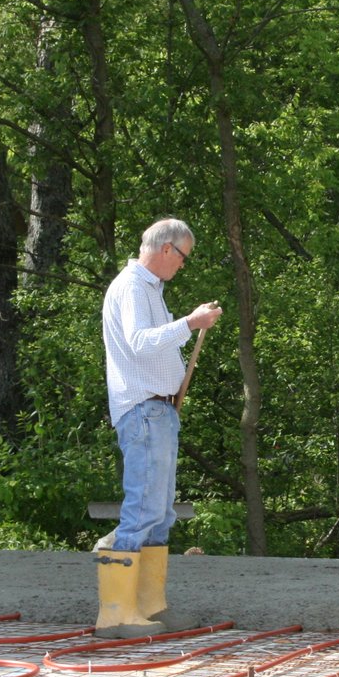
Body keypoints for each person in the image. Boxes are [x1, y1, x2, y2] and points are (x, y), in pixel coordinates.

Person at [98, 218, 223, 638]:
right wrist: (189, 323)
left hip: (158, 410)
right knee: (142, 511)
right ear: (167, 249)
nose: (182, 266)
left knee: (160, 512)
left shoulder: (148, 288)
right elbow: (139, 342)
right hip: (145, 409)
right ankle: (116, 614)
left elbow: (155, 343)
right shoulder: (133, 286)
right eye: (183, 257)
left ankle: (150, 606)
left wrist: (189, 325)